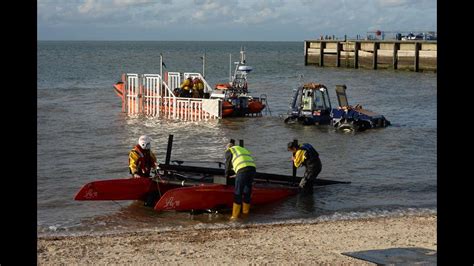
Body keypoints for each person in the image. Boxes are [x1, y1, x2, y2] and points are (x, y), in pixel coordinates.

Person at [224, 140, 256, 219]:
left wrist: (226, 175)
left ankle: (234, 216)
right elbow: (242, 161)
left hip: (242, 170)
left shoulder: (230, 150)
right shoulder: (242, 149)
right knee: (247, 191)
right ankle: (245, 213)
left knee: (238, 192)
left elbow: (227, 164)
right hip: (252, 169)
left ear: (228, 147)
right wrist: (237, 174)